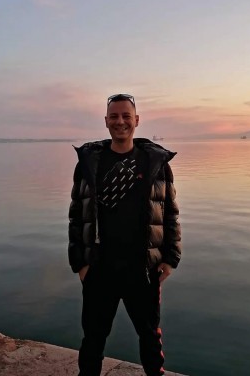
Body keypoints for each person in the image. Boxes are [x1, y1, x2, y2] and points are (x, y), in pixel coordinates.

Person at [68, 93, 182, 376]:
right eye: (114, 116)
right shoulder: (89, 163)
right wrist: (80, 263)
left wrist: (171, 258)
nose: (120, 122)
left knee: (150, 336)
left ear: (137, 120)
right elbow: (77, 215)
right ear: (106, 121)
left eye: (126, 116)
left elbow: (170, 213)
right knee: (93, 338)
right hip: (100, 268)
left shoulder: (156, 163)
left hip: (143, 269)